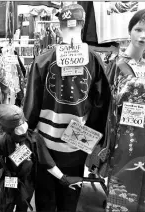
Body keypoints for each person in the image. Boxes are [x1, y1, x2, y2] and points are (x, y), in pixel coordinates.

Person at [23, 4, 111, 212]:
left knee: (45, 199)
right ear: (82, 25)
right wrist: (93, 141)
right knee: (70, 198)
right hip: (77, 142)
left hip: (45, 142)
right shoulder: (95, 60)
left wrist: (27, 134)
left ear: (59, 27)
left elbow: (31, 105)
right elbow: (101, 106)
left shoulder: (43, 59)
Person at [105, 9, 145, 212]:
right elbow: (107, 105)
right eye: (138, 29)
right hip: (124, 139)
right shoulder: (116, 65)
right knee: (122, 195)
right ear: (129, 31)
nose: (143, 36)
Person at [0, 104, 82, 212]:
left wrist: (63, 178)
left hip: (27, 183)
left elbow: (47, 162)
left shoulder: (34, 139)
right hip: (8, 183)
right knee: (6, 207)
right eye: (17, 126)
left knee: (22, 207)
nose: (23, 127)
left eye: (23, 122)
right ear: (8, 128)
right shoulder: (2, 142)